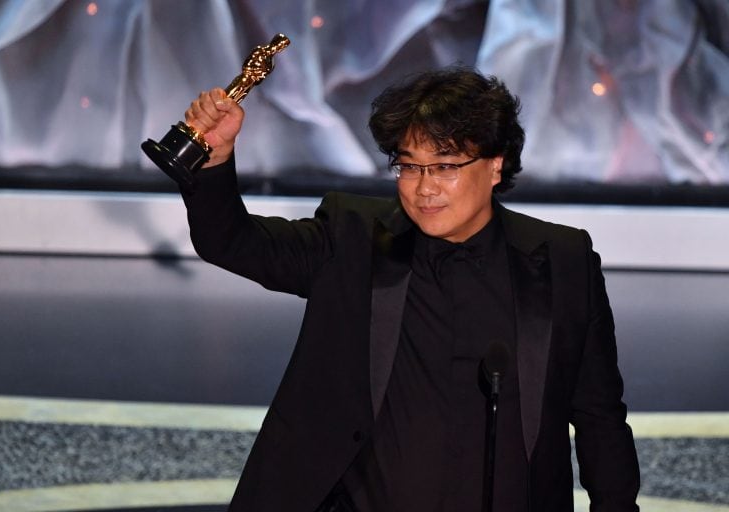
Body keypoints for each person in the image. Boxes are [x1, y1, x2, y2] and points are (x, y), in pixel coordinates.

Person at [179, 66, 640, 512]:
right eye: (409, 167)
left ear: (495, 165)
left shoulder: (562, 260)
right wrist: (214, 157)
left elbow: (600, 418)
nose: (424, 189)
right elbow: (232, 242)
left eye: (444, 166)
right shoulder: (352, 237)